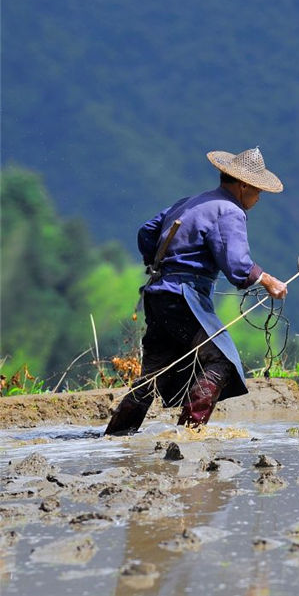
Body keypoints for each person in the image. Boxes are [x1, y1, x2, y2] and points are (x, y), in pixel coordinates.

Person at [105, 147, 288, 435]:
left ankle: (115, 436)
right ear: (243, 185)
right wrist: (267, 280)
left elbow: (146, 232)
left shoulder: (189, 202)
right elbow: (238, 267)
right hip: (184, 298)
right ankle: (189, 434)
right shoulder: (230, 211)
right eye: (258, 190)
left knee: (153, 377)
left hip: (158, 295)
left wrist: (158, 262)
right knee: (221, 362)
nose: (259, 197)